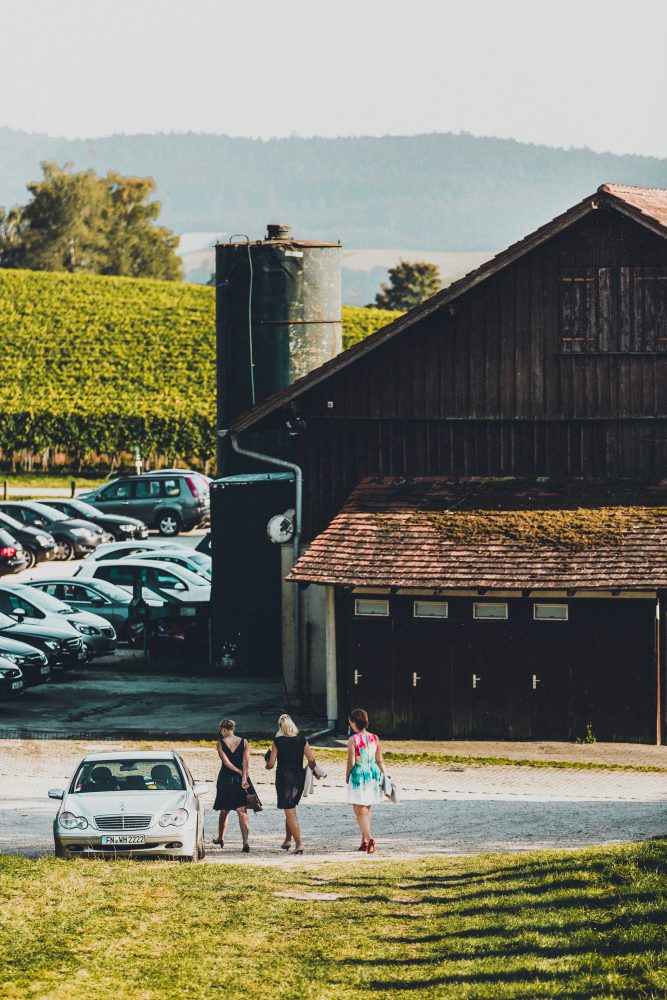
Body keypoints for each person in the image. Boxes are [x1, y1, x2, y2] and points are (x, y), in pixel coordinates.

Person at [265, 713, 316, 854]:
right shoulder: (302, 740)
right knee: (290, 809)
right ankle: (288, 839)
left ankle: (299, 844)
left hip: (284, 779)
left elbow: (270, 764)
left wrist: (267, 759)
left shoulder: (278, 741)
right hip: (298, 778)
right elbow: (311, 761)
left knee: (290, 811)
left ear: (280, 727)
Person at [346, 708, 386, 854]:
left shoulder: (353, 739)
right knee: (367, 807)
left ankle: (369, 839)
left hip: (359, 773)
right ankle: (364, 842)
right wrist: (385, 776)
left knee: (359, 809)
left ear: (353, 722)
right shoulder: (375, 738)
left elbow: (351, 762)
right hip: (373, 773)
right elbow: (380, 760)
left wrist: (347, 775)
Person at [213, 718, 251, 852]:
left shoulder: (220, 743)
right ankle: (245, 842)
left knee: (225, 810)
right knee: (242, 811)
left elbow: (226, 763)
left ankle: (220, 837)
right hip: (241, 778)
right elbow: (246, 761)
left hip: (226, 779)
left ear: (223, 729)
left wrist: (237, 771)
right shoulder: (244, 741)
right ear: (232, 728)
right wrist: (244, 776)